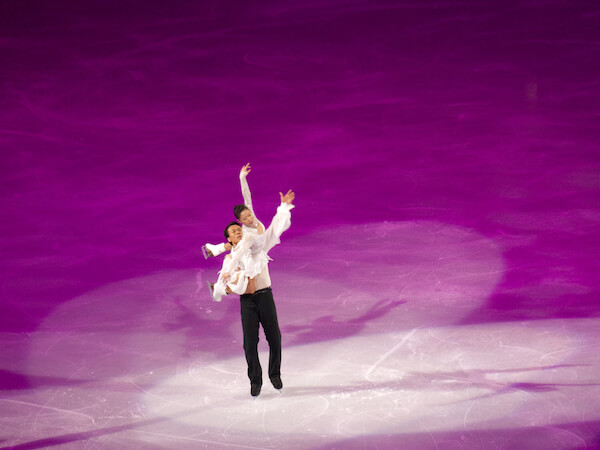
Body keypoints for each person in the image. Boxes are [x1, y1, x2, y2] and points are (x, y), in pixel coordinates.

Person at [217, 181, 295, 397]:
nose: (241, 230)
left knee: (275, 338)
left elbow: (247, 199)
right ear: (230, 238)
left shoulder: (254, 239)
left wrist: (242, 177)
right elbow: (234, 266)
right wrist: (226, 277)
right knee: (249, 344)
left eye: (240, 227)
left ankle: (275, 374)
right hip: (248, 302)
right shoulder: (235, 252)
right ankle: (255, 380)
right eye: (236, 229)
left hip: (265, 297)